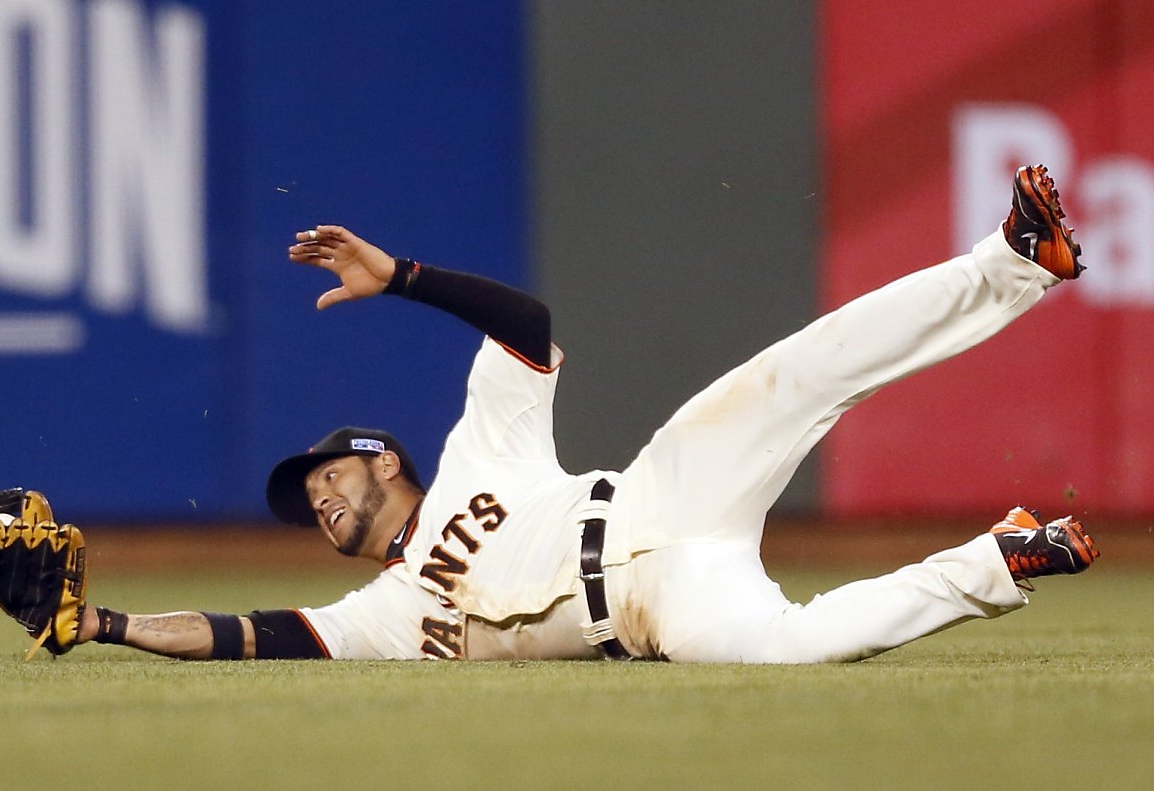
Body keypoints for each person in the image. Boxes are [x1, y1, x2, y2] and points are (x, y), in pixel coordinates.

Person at [61, 166, 1098, 663]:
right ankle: (999, 559)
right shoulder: (373, 615)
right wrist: (102, 624)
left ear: (380, 458)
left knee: (804, 368)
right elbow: (244, 634)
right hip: (655, 607)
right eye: (305, 500)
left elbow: (524, 319)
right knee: (793, 650)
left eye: (323, 474)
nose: (317, 497)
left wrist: (403, 276)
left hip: (656, 488)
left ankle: (1010, 256)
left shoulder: (479, 442)